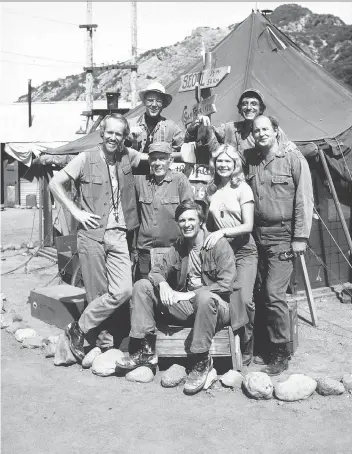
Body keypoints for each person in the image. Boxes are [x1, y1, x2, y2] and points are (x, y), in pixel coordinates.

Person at [116, 199, 248, 395]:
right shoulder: (180, 246)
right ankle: (146, 351)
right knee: (142, 286)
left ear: (201, 221)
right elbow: (156, 272)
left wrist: (186, 294)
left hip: (218, 307)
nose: (187, 224)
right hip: (189, 307)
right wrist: (163, 286)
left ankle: (202, 360)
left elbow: (225, 285)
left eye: (191, 219)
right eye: (182, 220)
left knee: (204, 298)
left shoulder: (218, 245)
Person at [49, 114, 148, 363]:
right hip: (92, 235)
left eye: (119, 134)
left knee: (123, 290)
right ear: (102, 133)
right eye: (110, 133)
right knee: (97, 294)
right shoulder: (85, 157)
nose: (114, 137)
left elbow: (154, 160)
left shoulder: (128, 155)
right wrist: (76, 212)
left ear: (125, 136)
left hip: (120, 234)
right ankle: (102, 347)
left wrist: (188, 155)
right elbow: (54, 183)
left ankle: (77, 330)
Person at [245, 115, 314, 376]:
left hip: (283, 236)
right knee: (259, 292)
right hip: (256, 236)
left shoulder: (294, 159)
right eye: (257, 130)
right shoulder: (251, 160)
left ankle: (280, 352)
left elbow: (304, 199)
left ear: (275, 131)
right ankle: (262, 345)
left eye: (266, 129)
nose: (261, 133)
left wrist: (300, 237)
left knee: (274, 293)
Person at [204, 144, 258, 366]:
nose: (223, 165)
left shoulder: (243, 188)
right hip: (223, 252)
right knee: (223, 298)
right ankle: (226, 348)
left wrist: (222, 232)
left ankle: (247, 346)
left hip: (244, 249)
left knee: (244, 300)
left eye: (228, 161)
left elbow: (248, 225)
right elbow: (209, 223)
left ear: (236, 164)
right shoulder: (211, 189)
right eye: (219, 161)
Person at [134, 141, 194, 280]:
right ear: (149, 160)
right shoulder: (141, 181)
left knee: (171, 291)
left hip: (173, 250)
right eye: (154, 159)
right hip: (146, 250)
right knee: (145, 289)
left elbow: (190, 212)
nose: (157, 163)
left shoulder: (180, 180)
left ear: (170, 160)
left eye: (162, 158)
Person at [187, 88, 288, 165]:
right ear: (240, 109)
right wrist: (193, 128)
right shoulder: (230, 128)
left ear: (261, 109)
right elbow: (207, 133)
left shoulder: (272, 130)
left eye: (254, 104)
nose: (249, 108)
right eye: (244, 104)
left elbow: (288, 152)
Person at [127, 81, 184, 159]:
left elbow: (184, 147)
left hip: (160, 170)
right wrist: (129, 141)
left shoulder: (171, 127)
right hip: (134, 170)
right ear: (144, 102)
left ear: (163, 104)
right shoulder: (130, 124)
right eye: (150, 100)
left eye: (158, 101)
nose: (154, 105)